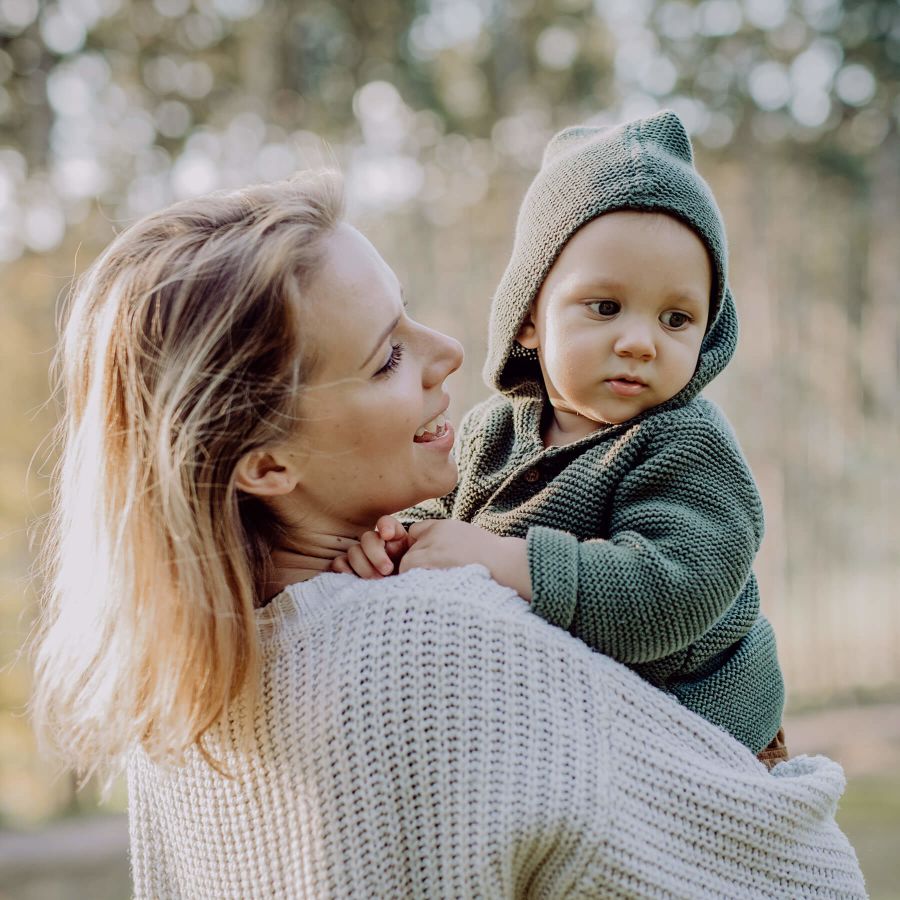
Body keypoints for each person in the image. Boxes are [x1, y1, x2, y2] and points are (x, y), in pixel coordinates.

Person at [31, 172, 865, 898]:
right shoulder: (437, 644)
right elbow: (815, 875)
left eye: (412, 319)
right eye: (386, 357)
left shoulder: (175, 706)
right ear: (268, 464)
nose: (450, 352)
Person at [338, 110, 786, 766]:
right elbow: (438, 521)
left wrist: (498, 559)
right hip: (581, 734)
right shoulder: (493, 431)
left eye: (677, 317)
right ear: (527, 321)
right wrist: (387, 541)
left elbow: (669, 594)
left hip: (712, 738)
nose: (640, 341)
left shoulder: (686, 444)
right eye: (605, 307)